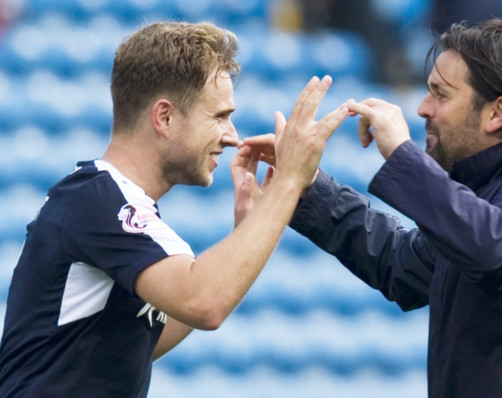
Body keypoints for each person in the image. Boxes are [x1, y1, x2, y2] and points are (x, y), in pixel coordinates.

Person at [241, 18, 502, 397]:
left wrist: (402, 154)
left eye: (441, 94)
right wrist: (307, 186)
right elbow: (400, 264)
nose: (423, 108)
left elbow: (497, 247)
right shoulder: (487, 197)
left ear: (497, 112)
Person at [0, 22, 348, 397]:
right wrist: (290, 181)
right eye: (219, 116)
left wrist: (248, 229)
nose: (232, 136)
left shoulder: (108, 202)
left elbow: (141, 342)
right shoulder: (99, 201)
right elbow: (204, 303)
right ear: (164, 117)